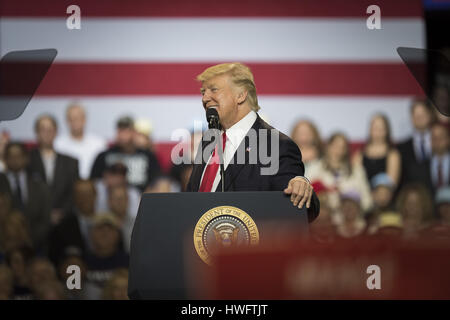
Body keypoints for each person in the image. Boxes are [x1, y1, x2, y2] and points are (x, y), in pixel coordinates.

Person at [186, 63, 319, 221]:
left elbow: (299, 205)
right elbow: (190, 202)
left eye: (213, 90)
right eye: (203, 92)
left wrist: (301, 185)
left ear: (241, 95)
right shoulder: (208, 141)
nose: (205, 98)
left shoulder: (276, 145)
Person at [0, 143, 51, 251]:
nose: (15, 160)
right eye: (11, 156)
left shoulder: (40, 185)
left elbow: (45, 219)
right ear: (5, 159)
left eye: (18, 156)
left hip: (35, 245)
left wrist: (27, 238)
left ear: (26, 158)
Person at [29, 115, 79, 224]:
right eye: (43, 129)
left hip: (64, 221)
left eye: (50, 129)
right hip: (34, 222)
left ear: (56, 132)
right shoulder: (27, 160)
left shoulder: (71, 162)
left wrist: (62, 212)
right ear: (36, 132)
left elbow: (74, 192)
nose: (46, 133)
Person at [90, 116, 161, 192]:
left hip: (142, 196)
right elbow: (94, 181)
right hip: (111, 196)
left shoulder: (147, 156)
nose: (123, 135)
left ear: (134, 132)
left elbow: (157, 179)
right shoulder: (104, 156)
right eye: (120, 130)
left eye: (126, 130)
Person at [307, 133, 373, 212]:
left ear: (347, 150)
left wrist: (354, 208)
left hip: (352, 217)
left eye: (342, 147)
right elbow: (306, 192)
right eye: (335, 146)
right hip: (322, 216)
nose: (338, 151)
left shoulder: (357, 170)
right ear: (328, 147)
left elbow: (367, 200)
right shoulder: (315, 167)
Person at [48, 180, 98, 265]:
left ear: (95, 195)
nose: (85, 198)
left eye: (88, 194)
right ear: (74, 197)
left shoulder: (107, 224)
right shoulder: (62, 228)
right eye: (80, 195)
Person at [54, 103, 107, 179]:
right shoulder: (57, 144)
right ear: (66, 121)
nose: (75, 122)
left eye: (78, 118)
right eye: (71, 119)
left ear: (84, 119)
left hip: (93, 187)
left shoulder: (99, 143)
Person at [83, 214, 129, 300]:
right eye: (100, 229)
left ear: (118, 235)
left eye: (110, 229)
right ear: (91, 234)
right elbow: (72, 292)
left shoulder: (130, 261)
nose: (105, 233)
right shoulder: (80, 262)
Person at [353, 113, 401, 186]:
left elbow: (392, 183)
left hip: (385, 195)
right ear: (370, 129)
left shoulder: (393, 154)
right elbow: (354, 179)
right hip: (363, 195)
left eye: (381, 128)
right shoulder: (360, 155)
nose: (378, 131)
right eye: (375, 127)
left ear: (387, 130)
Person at [398, 98, 435, 187]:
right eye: (416, 115)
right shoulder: (401, 148)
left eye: (422, 115)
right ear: (411, 118)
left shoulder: (441, 141)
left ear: (430, 115)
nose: (419, 118)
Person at [429, 122, 449, 193]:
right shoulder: (422, 166)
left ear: (448, 139)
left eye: (441, 137)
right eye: (434, 138)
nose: (438, 141)